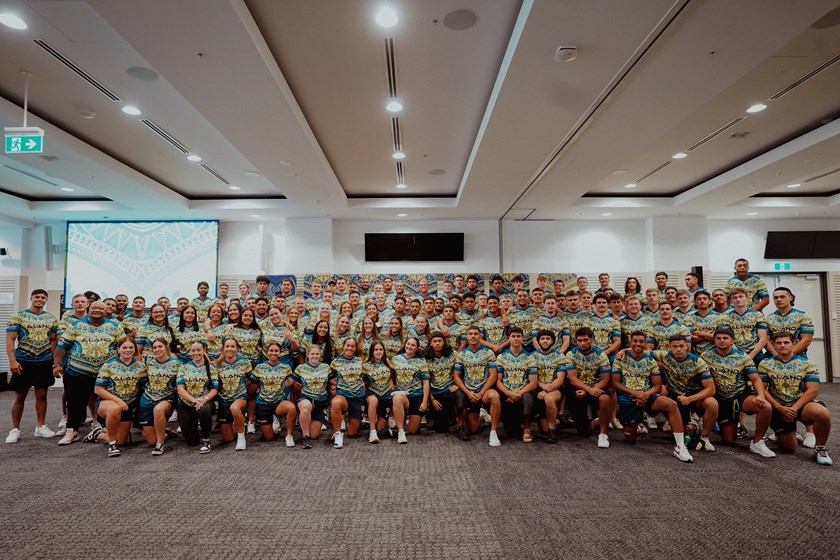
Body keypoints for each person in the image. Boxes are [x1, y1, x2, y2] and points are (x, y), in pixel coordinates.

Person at [611, 332, 693, 462]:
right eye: (635, 341)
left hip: (646, 396)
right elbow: (615, 383)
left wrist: (644, 395)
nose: (638, 344)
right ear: (630, 342)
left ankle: (680, 447)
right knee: (630, 438)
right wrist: (635, 394)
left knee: (671, 404)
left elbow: (657, 386)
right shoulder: (621, 358)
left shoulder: (650, 359)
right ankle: (637, 424)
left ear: (645, 343)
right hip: (628, 398)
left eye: (641, 341)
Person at [54, 301, 126, 445]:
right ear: (89, 309)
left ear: (106, 311)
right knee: (74, 403)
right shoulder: (75, 325)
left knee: (105, 402)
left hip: (105, 373)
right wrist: (56, 365)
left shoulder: (115, 325)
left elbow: (124, 345)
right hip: (77, 371)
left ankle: (104, 429)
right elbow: (62, 346)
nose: (97, 310)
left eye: (100, 308)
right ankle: (72, 430)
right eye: (94, 308)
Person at [759, 332, 832, 466]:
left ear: (794, 344)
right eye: (779, 343)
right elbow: (761, 389)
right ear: (773, 345)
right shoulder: (765, 363)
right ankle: (787, 432)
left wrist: (794, 408)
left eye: (786, 342)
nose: (782, 345)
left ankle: (820, 448)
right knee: (789, 448)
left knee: (822, 413)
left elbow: (813, 390)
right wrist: (780, 408)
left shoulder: (807, 363)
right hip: (779, 407)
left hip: (800, 405)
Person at [701, 328, 776, 458]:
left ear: (732, 340)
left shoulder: (743, 357)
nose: (722, 341)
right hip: (721, 398)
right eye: (718, 338)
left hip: (741, 394)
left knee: (765, 406)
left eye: (725, 338)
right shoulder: (706, 356)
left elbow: (755, 379)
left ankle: (757, 442)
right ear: (714, 340)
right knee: (729, 440)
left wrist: (761, 395)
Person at [5, 289, 59, 443]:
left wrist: (54, 362)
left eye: (43, 297)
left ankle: (40, 427)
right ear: (31, 298)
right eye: (37, 297)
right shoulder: (19, 316)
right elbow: (10, 339)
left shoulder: (52, 319)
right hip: (23, 361)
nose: (40, 299)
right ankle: (15, 429)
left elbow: (54, 341)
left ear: (46, 300)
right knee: (20, 395)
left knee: (42, 394)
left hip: (44, 361)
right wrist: (12, 360)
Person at [649, 335, 719, 452]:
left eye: (681, 346)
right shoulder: (664, 355)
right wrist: (625, 351)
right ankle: (692, 425)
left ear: (687, 346)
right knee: (682, 433)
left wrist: (690, 399)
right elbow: (643, 351)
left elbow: (711, 389)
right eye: (675, 346)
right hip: (676, 397)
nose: (678, 349)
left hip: (695, 397)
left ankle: (705, 437)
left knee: (712, 403)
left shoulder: (698, 362)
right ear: (669, 347)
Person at [93, 338, 148, 457]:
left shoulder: (141, 367)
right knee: (115, 409)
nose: (128, 350)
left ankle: (98, 434)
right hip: (107, 402)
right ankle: (112, 445)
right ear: (119, 349)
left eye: (131, 347)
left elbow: (143, 387)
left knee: (121, 441)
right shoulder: (109, 365)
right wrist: (118, 400)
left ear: (135, 349)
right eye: (124, 347)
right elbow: (98, 390)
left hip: (128, 406)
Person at [453, 326, 502, 446]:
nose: (473, 336)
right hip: (470, 391)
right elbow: (456, 376)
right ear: (467, 337)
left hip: (484, 391)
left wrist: (481, 392)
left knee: (494, 396)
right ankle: (482, 416)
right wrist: (468, 392)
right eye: (470, 334)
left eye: (476, 333)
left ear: (480, 336)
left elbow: (493, 375)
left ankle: (493, 432)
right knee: (473, 429)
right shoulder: (462, 355)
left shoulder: (488, 353)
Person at [565, 327, 612, 448]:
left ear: (592, 340)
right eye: (579, 340)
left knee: (605, 398)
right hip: (578, 390)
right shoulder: (571, 354)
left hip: (596, 388)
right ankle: (598, 421)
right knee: (583, 432)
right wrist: (588, 390)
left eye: (585, 340)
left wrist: (590, 390)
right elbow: (572, 379)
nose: (582, 343)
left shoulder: (601, 355)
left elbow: (606, 379)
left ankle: (603, 435)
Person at [137, 338, 180, 455]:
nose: (157, 349)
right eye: (154, 348)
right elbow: (141, 380)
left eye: (160, 346)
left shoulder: (177, 364)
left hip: (166, 398)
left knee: (158, 409)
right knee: (151, 441)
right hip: (148, 399)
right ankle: (164, 433)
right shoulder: (148, 363)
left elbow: (181, 383)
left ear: (166, 347)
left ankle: (160, 444)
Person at [495, 327, 538, 443]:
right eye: (513, 336)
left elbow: (533, 383)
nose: (516, 339)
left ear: (523, 338)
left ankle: (527, 428)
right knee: (511, 432)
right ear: (509, 338)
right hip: (506, 392)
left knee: (528, 398)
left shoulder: (530, 357)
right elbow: (498, 380)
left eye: (518, 336)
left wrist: (518, 393)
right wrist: (508, 393)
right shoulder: (501, 357)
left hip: (523, 392)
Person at [176, 341, 219, 454]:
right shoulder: (184, 367)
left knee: (203, 409)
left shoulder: (211, 368)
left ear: (204, 350)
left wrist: (204, 399)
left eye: (199, 350)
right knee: (192, 441)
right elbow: (180, 389)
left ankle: (206, 439)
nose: (196, 353)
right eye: (193, 350)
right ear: (190, 352)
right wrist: (194, 400)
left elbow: (214, 389)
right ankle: (197, 425)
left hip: (204, 401)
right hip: (186, 403)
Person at [251, 342, 297, 447]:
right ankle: (270, 424)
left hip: (278, 402)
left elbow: (292, 383)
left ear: (280, 353)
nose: (273, 353)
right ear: (267, 353)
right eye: (271, 350)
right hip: (263, 403)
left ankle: (289, 435)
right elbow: (252, 384)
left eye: (276, 351)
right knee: (269, 437)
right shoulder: (259, 367)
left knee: (291, 407)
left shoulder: (285, 368)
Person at [389, 337, 430, 444]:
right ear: (405, 345)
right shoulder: (396, 359)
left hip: (416, 395)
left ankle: (407, 417)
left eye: (413, 345)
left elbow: (426, 383)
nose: (409, 346)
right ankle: (401, 431)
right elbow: (390, 375)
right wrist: (392, 385)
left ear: (417, 348)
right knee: (397, 398)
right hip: (401, 395)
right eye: (408, 344)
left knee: (413, 431)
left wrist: (425, 402)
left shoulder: (421, 361)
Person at [292, 345, 333, 449]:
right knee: (306, 407)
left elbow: (334, 381)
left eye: (317, 354)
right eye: (312, 354)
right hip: (306, 397)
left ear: (320, 355)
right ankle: (305, 436)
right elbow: (289, 382)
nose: (315, 356)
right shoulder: (301, 368)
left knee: (314, 435)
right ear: (307, 355)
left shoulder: (326, 367)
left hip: (320, 402)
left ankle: (305, 423)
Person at [329, 338, 367, 448]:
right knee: (336, 402)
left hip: (357, 396)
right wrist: (333, 385)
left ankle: (348, 420)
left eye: (352, 346)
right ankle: (337, 434)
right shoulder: (335, 362)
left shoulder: (361, 362)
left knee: (352, 433)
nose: (349, 348)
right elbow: (330, 378)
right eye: (347, 345)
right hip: (343, 395)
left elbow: (365, 377)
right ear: (343, 346)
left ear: (355, 348)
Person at [531, 329, 568, 443]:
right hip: (537, 388)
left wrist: (547, 390)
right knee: (543, 430)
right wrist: (543, 386)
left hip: (554, 388)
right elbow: (532, 378)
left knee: (549, 398)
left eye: (548, 339)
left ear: (553, 341)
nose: (545, 341)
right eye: (542, 339)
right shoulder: (532, 356)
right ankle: (556, 421)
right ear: (538, 341)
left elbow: (561, 379)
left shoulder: (559, 356)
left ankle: (553, 431)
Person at [216, 338, 252, 450]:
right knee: (228, 439)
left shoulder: (245, 362)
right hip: (224, 399)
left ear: (237, 348)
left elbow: (251, 379)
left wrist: (242, 388)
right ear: (223, 348)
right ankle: (235, 423)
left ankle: (241, 437)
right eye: (227, 346)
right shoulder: (218, 364)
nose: (230, 349)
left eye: (232, 346)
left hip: (239, 396)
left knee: (235, 408)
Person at [424, 332, 457, 435]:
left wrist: (458, 384)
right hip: (435, 392)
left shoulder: (453, 354)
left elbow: (464, 370)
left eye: (439, 341)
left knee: (458, 395)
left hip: (450, 389)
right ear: (430, 344)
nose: (437, 343)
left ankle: (457, 419)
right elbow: (424, 382)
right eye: (434, 341)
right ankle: (432, 415)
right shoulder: (425, 359)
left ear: (444, 342)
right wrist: (432, 399)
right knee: (441, 430)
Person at [362, 341, 395, 443]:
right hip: (372, 394)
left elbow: (391, 381)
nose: (378, 352)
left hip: (386, 396)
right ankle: (372, 431)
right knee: (373, 400)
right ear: (372, 352)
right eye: (376, 350)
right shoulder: (365, 365)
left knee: (380, 430)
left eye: (381, 349)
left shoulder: (389, 364)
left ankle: (382, 430)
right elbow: (362, 383)